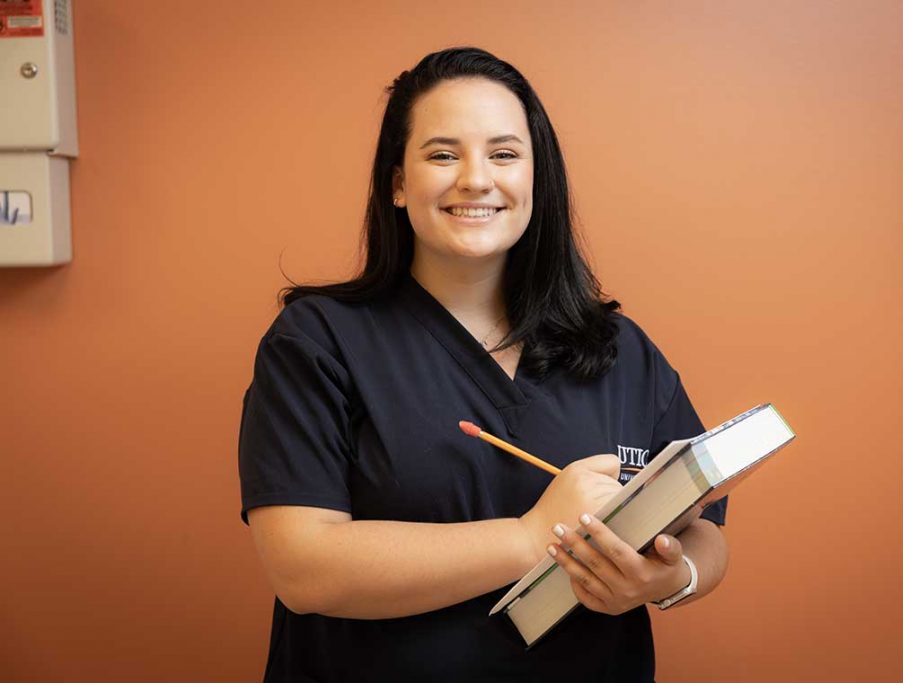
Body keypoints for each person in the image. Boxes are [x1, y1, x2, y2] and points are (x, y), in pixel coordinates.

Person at [238, 46, 730, 682]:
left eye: (503, 154)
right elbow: (301, 568)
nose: (476, 179)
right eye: (443, 154)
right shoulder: (317, 342)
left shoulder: (618, 347)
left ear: (535, 180)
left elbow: (705, 527)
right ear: (397, 182)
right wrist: (532, 538)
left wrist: (670, 577)